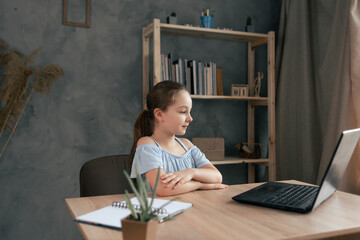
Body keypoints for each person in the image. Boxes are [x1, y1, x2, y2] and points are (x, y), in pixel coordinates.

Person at [130, 80, 228, 196]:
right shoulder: (147, 144)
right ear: (159, 114)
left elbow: (217, 177)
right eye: (183, 112)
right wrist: (200, 185)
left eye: (189, 112)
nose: (190, 118)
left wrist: (191, 172)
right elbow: (162, 188)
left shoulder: (187, 145)